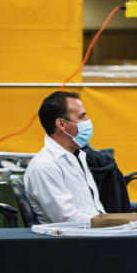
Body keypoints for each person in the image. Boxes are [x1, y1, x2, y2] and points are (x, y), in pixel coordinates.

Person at [25, 91, 106, 223]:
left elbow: (93, 209)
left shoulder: (76, 156)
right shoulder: (45, 166)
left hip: (91, 233)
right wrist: (107, 226)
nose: (88, 121)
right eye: (82, 117)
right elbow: (64, 217)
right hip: (73, 239)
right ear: (61, 124)